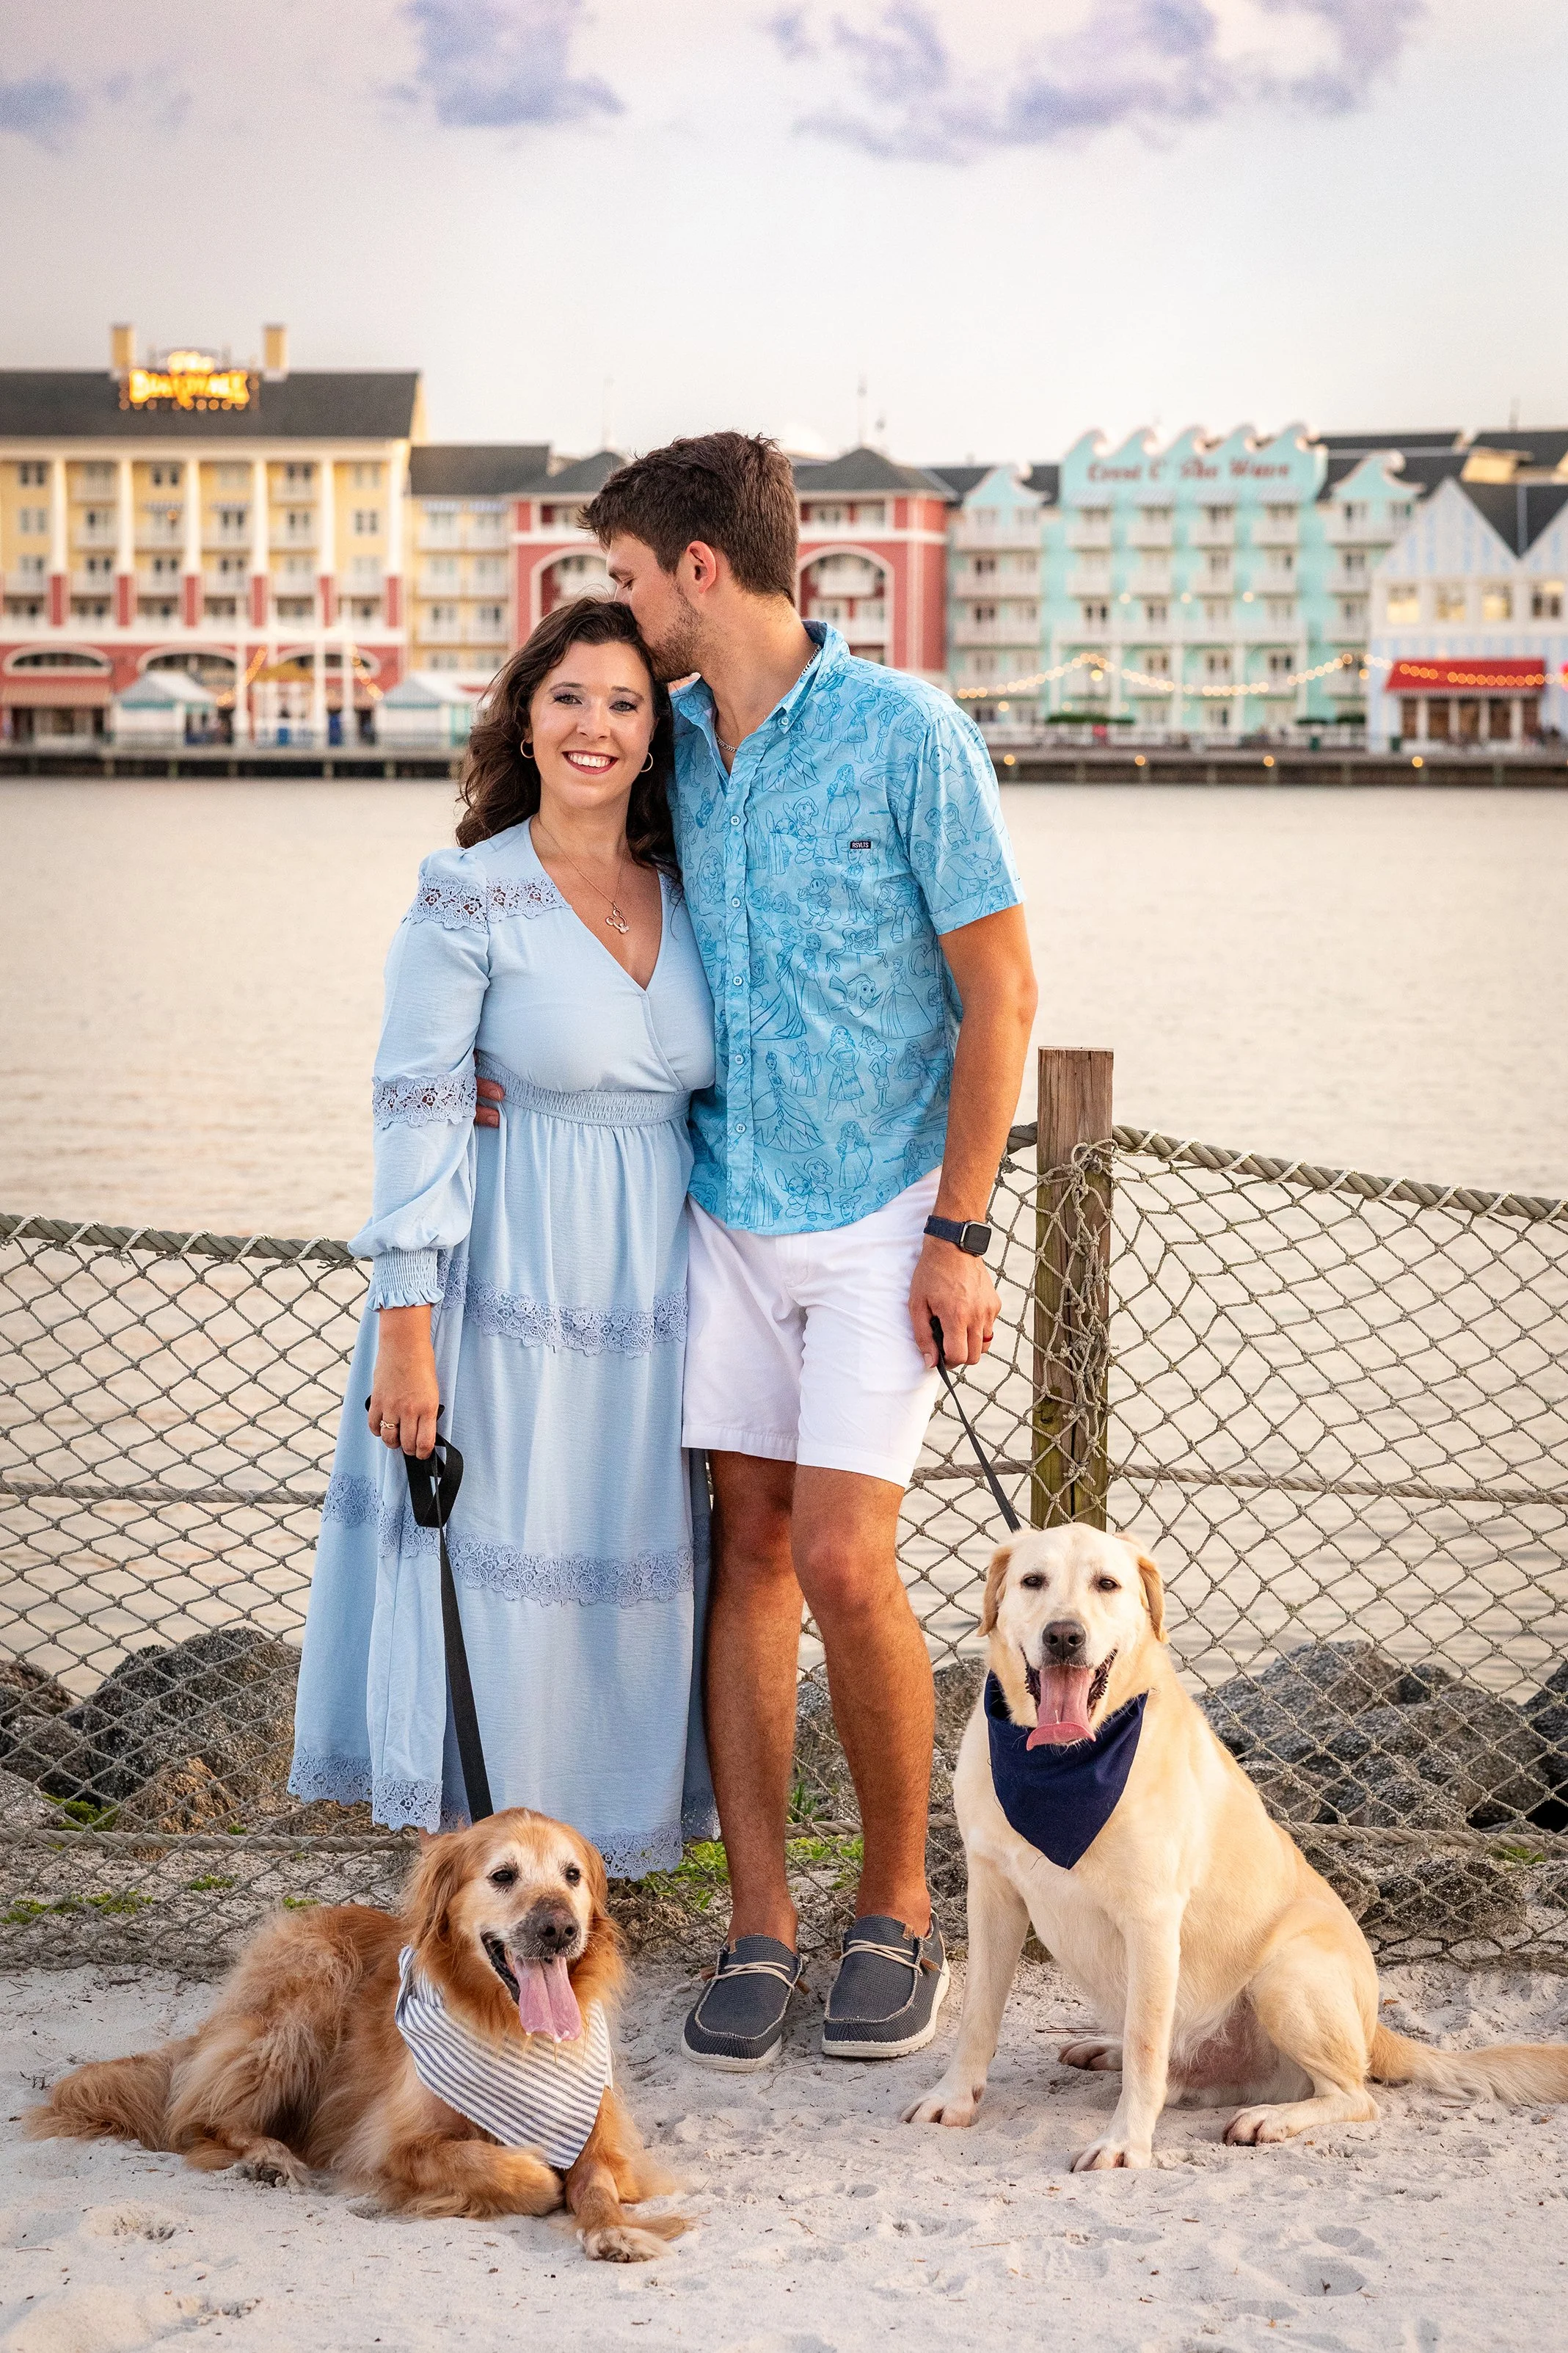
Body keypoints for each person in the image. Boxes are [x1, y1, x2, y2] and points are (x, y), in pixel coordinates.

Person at [482, 434, 1036, 2067]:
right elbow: (577, 896)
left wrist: (959, 1228)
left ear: (701, 573)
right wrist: (513, 1068)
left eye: (635, 577)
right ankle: (762, 1928)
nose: (621, 608)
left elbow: (1003, 991)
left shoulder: (908, 734)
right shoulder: (677, 751)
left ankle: (899, 1913)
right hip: (724, 1210)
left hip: (882, 1215)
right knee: (749, 1559)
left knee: (855, 1565)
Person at [288, 597, 718, 1877]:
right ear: (526, 719)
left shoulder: (692, 893)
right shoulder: (467, 895)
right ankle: (465, 1893)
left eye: (626, 703)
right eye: (570, 698)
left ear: (656, 737)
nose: (596, 725)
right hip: (499, 1290)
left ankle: (585, 1878)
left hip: (650, 1302)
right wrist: (408, 1333)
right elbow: (413, 1107)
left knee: (613, 1586)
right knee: (483, 1577)